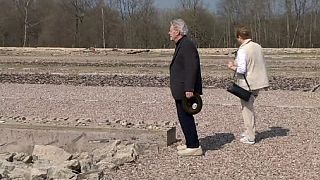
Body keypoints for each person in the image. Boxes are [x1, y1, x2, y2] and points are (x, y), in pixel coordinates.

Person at [228, 26, 269, 144]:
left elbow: (241, 69)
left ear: (240, 37)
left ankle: (250, 137)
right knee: (249, 107)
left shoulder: (243, 49)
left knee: (247, 109)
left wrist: (231, 67)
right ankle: (248, 131)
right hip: (259, 82)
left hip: (247, 83)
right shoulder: (258, 46)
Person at [168, 19, 203, 156]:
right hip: (180, 89)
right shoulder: (181, 44)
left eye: (171, 30)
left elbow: (191, 67)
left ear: (177, 31)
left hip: (185, 90)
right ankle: (190, 143)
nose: (169, 33)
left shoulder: (187, 44)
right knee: (183, 117)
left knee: (186, 117)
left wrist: (189, 88)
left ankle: (194, 146)